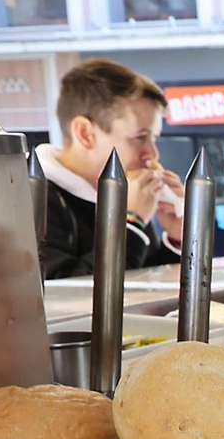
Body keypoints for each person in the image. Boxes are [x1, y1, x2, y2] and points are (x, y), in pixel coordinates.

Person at [37, 60, 185, 279]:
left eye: (153, 138)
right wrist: (131, 223)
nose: (153, 154)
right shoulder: (32, 199)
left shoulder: (125, 191)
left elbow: (145, 283)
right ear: (85, 133)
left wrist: (175, 238)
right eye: (140, 137)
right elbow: (67, 292)